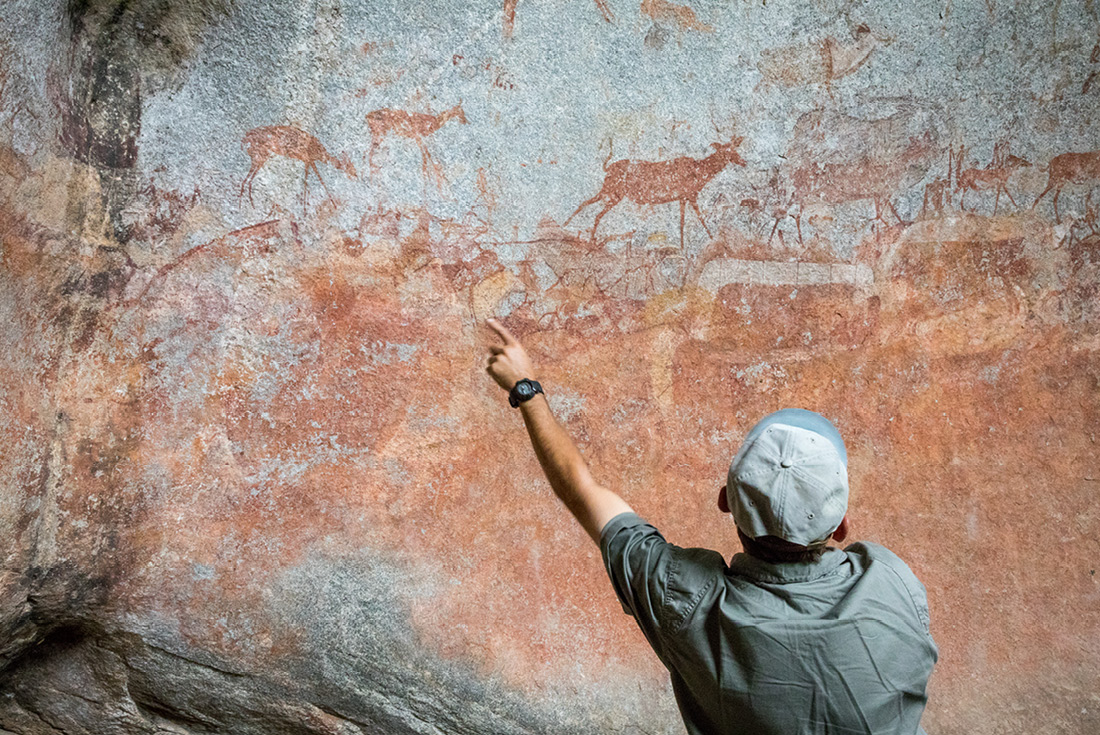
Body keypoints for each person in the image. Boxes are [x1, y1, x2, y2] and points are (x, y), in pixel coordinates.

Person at [485, 317, 938, 735]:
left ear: (724, 501)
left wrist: (526, 389)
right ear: (841, 527)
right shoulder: (893, 581)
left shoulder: (683, 598)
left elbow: (582, 490)